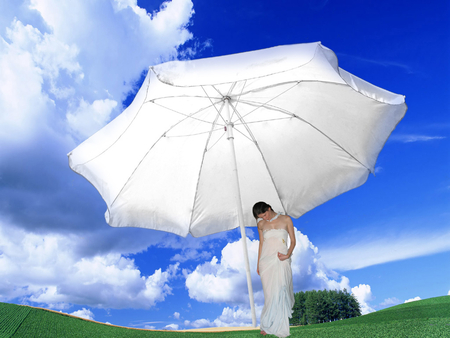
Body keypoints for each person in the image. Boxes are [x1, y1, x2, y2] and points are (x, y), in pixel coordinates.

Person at [253, 201, 296, 337]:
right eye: (261, 216)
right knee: (270, 294)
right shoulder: (260, 224)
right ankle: (266, 324)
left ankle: (280, 327)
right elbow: (261, 244)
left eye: (264, 214)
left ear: (269, 208)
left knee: (282, 290)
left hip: (281, 259)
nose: (264, 218)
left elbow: (293, 241)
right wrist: (258, 263)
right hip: (266, 262)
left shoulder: (286, 219)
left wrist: (288, 255)